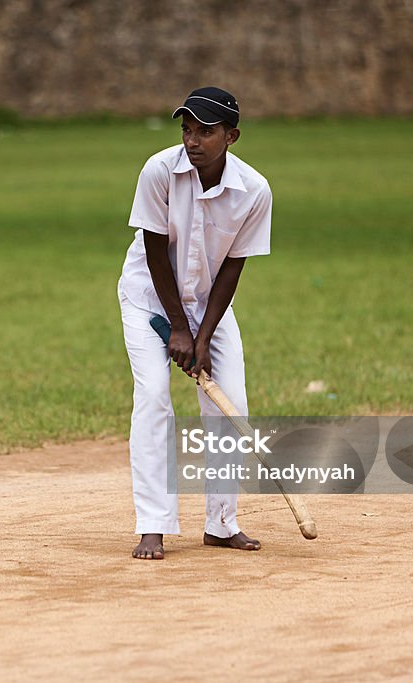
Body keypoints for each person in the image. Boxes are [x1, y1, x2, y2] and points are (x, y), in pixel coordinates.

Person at [117, 86, 273, 560]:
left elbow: (232, 269)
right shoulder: (159, 171)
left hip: (209, 307)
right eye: (187, 129)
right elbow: (153, 251)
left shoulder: (255, 191)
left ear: (232, 136)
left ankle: (222, 523)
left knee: (231, 405)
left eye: (206, 131)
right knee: (153, 398)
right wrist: (180, 332)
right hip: (148, 298)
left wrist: (201, 336)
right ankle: (153, 525)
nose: (193, 140)